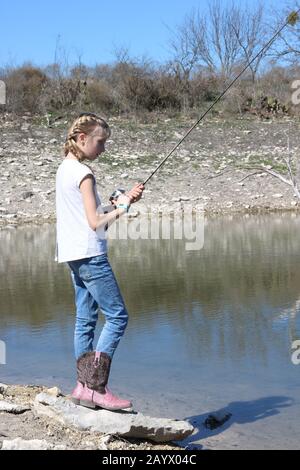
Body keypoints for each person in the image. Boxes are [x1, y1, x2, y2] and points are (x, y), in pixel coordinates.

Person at [55, 112, 144, 411]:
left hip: (72, 255)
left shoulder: (64, 169)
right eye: (100, 142)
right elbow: (95, 222)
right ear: (82, 139)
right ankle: (96, 386)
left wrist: (121, 201)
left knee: (85, 320)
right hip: (91, 255)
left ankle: (82, 387)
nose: (103, 149)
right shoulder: (84, 173)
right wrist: (124, 209)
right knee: (118, 317)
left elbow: (88, 214)